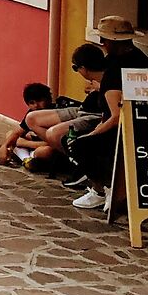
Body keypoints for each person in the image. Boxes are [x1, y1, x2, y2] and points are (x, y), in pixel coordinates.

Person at [14, 43, 124, 208]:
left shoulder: (109, 82)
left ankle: (86, 172)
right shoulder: (105, 75)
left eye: (75, 68)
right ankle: (69, 155)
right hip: (83, 109)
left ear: (83, 68)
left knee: (57, 135)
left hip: (94, 117)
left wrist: (93, 134)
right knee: (32, 119)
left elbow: (115, 116)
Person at [0, 81, 84, 166]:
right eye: (32, 103)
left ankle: (25, 157)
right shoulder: (33, 113)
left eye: (39, 101)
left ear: (49, 99)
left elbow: (56, 142)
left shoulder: (58, 113)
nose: (36, 105)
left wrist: (22, 143)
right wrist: (4, 146)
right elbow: (18, 132)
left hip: (53, 146)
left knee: (45, 151)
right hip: (38, 142)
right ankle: (27, 159)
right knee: (10, 135)